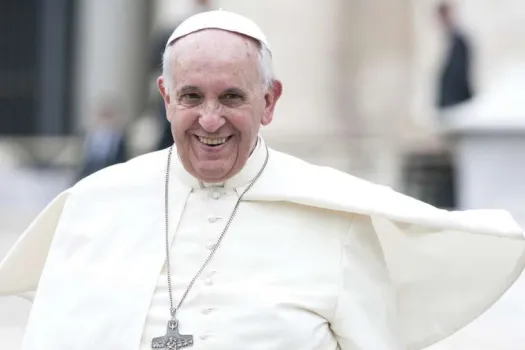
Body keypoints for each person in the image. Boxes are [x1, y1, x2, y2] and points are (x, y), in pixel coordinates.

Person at [1, 10, 524, 350]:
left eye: (231, 97)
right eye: (191, 97)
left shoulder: (335, 222)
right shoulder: (95, 206)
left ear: (269, 101)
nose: (210, 119)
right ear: (165, 97)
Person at [436, 1, 474, 109]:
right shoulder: (450, 40)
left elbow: (458, 73)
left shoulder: (459, 41)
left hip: (457, 102)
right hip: (451, 102)